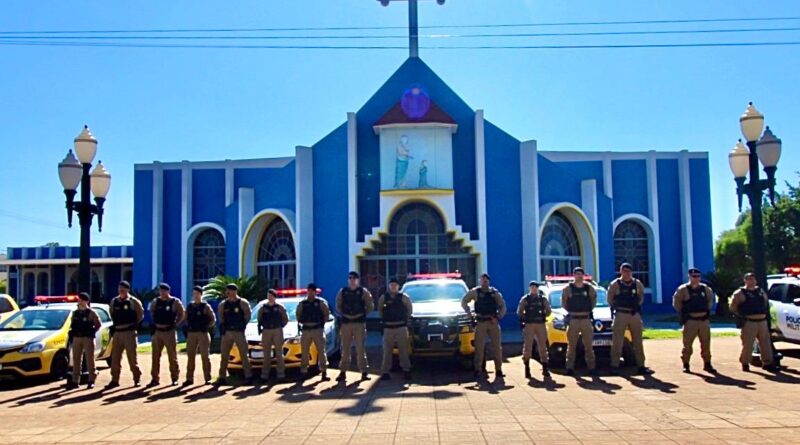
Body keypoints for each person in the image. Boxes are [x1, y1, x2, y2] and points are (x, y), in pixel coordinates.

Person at [607, 263, 651, 375]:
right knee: (617, 341)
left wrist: (635, 307)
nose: (626, 273)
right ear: (620, 271)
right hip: (620, 314)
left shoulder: (637, 284)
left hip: (634, 314)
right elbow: (610, 299)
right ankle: (615, 365)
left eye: (628, 271)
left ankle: (641, 365)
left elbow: (641, 298)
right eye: (624, 271)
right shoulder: (615, 284)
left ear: (631, 272)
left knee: (638, 341)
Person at [730, 273, 779, 372]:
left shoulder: (760, 291)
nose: (751, 281)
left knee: (766, 344)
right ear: (745, 280)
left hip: (762, 322)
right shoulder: (739, 293)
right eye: (749, 279)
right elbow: (733, 307)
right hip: (749, 322)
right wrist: (742, 316)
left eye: (753, 279)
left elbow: (766, 304)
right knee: (748, 344)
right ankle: (745, 363)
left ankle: (767, 363)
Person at [462, 273, 506, 379]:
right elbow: (464, 301)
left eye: (486, 280)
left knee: (497, 347)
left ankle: (498, 370)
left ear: (489, 281)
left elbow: (503, 306)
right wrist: (470, 313)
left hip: (493, 322)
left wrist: (498, 317)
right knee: (479, 348)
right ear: (480, 281)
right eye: (483, 280)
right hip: (481, 322)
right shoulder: (475, 292)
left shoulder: (494, 293)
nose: (484, 281)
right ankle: (478, 369)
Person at [672, 268, 716, 373]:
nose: (696, 278)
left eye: (698, 276)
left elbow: (710, 301)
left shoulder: (705, 289)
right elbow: (676, 303)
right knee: (687, 345)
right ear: (689, 277)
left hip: (703, 320)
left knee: (706, 343)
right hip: (690, 321)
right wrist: (685, 313)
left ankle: (707, 363)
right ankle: (686, 364)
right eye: (694, 276)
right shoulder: (683, 289)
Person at [335, 271, 374, 382]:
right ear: (348, 280)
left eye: (354, 278)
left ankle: (364, 372)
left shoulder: (363, 291)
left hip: (359, 323)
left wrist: (362, 314)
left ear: (357, 280)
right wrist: (345, 314)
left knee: (360, 348)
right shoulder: (343, 292)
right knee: (345, 348)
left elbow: (370, 305)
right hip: (346, 323)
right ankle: (343, 372)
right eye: (350, 278)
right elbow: (338, 306)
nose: (352, 280)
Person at [107, 280, 144, 388]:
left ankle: (136, 378)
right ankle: (114, 380)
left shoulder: (133, 301)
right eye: (120, 288)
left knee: (132, 358)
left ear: (128, 289)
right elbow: (112, 314)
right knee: (115, 359)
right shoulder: (114, 301)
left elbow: (140, 315)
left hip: (129, 333)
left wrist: (133, 325)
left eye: (123, 288)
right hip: (118, 333)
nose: (121, 290)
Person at [561, 267, 597, 376]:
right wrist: (572, 311)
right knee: (572, 345)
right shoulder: (568, 288)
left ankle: (591, 367)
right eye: (577, 274)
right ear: (574, 275)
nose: (579, 276)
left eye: (581, 274)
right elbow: (564, 303)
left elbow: (593, 301)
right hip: (574, 320)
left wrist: (587, 310)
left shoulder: (589, 288)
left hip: (586, 319)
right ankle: (570, 367)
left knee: (589, 346)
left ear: (583, 275)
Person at [148, 283, 185, 387]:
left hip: (169, 332)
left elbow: (182, 314)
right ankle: (155, 378)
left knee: (172, 356)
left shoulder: (175, 302)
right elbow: (152, 313)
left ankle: (174, 378)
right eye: (161, 291)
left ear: (168, 291)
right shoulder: (156, 302)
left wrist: (176, 324)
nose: (162, 293)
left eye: (164, 291)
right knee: (155, 356)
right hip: (158, 331)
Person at [216, 283, 253, 385]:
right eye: (227, 291)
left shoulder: (243, 303)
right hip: (227, 332)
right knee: (224, 355)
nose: (228, 293)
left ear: (235, 291)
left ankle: (248, 376)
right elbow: (221, 317)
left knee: (244, 355)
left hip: (238, 332)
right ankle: (222, 377)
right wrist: (223, 328)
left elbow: (247, 315)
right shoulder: (223, 304)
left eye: (231, 291)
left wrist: (242, 325)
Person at [378, 278, 413, 381]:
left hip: (401, 327)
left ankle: (406, 370)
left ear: (398, 286)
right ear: (389, 286)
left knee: (403, 350)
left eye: (395, 285)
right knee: (387, 351)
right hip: (388, 328)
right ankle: (385, 372)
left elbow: (409, 310)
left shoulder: (404, 297)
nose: (393, 287)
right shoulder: (384, 297)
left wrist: (403, 319)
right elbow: (380, 310)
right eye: (391, 285)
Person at [66, 292, 101, 389]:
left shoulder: (91, 312)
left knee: (90, 360)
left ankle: (91, 380)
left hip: (88, 338)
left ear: (86, 301)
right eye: (79, 300)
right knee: (76, 360)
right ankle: (75, 381)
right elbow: (72, 324)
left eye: (82, 300)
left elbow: (98, 324)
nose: (80, 302)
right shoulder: (75, 313)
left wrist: (92, 332)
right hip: (77, 338)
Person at [517, 281, 551, 378]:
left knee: (543, 346)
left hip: (540, 324)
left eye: (535, 287)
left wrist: (543, 315)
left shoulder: (542, 299)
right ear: (529, 288)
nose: (534, 289)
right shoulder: (525, 299)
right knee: (528, 347)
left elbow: (548, 311)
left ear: (537, 288)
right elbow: (519, 311)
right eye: (532, 287)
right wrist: (525, 318)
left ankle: (545, 368)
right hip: (529, 324)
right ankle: (527, 368)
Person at [297, 283, 331, 381]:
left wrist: (321, 324)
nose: (310, 292)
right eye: (309, 291)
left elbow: (326, 314)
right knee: (304, 352)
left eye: (312, 291)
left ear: (315, 292)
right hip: (306, 330)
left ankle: (324, 372)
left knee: (321, 351)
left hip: (317, 329)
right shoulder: (303, 304)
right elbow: (298, 315)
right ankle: (304, 371)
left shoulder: (320, 303)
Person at [184, 285, 216, 385]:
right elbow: (186, 319)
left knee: (205, 356)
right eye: (194, 294)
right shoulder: (190, 306)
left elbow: (213, 319)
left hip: (203, 333)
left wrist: (206, 326)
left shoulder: (205, 306)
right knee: (190, 356)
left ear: (201, 294)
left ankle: (207, 378)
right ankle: (189, 378)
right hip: (192, 333)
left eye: (197, 293)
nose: (195, 295)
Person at [258, 289, 289, 381]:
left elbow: (285, 319)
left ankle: (281, 374)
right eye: (268, 295)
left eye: (271, 296)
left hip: (277, 330)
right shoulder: (263, 307)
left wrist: (279, 326)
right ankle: (265, 375)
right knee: (266, 354)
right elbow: (259, 318)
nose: (269, 297)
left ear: (275, 297)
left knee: (279, 353)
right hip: (266, 331)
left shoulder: (280, 307)